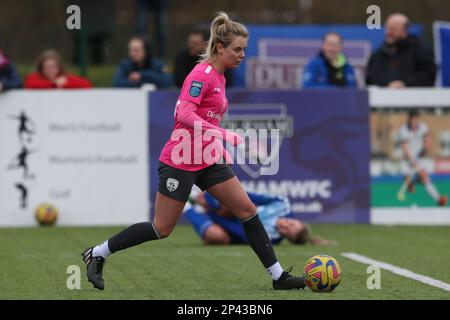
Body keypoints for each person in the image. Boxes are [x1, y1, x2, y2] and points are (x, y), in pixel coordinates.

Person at [82, 12, 305, 291]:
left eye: (244, 49)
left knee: (247, 210)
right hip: (180, 160)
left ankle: (278, 277)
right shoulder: (201, 75)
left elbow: (205, 119)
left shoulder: (221, 77)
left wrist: (218, 145)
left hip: (207, 159)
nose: (242, 55)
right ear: (220, 48)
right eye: (237, 49)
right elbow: (183, 114)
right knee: (161, 228)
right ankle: (98, 253)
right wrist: (223, 135)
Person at [186, 191, 335, 246]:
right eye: (291, 224)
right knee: (226, 202)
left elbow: (238, 231)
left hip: (231, 230)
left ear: (285, 237)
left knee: (215, 236)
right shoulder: (283, 205)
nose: (285, 225)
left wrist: (213, 214)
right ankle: (196, 197)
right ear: (296, 220)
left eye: (287, 231)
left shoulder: (272, 238)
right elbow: (251, 197)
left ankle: (186, 206)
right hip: (234, 211)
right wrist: (217, 203)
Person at [366, 13, 436, 88]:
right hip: (381, 98)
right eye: (387, 28)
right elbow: (370, 80)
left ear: (405, 31)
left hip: (413, 98)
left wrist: (405, 84)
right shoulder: (377, 54)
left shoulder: (421, 51)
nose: (388, 32)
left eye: (393, 29)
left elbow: (429, 76)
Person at [397, 110, 448, 206]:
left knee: (425, 177)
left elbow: (427, 139)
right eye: (412, 120)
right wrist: (412, 160)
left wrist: (425, 147)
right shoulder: (403, 130)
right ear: (409, 120)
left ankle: (438, 199)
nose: (414, 122)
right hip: (407, 160)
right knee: (415, 177)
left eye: (416, 120)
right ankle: (409, 180)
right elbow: (405, 148)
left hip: (419, 158)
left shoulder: (423, 127)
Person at [24, 50, 92, 89]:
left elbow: (87, 84)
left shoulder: (65, 78)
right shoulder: (34, 77)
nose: (50, 70)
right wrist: (54, 84)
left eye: (53, 67)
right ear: (41, 68)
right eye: (46, 67)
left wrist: (65, 83)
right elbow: (29, 84)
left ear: (59, 67)